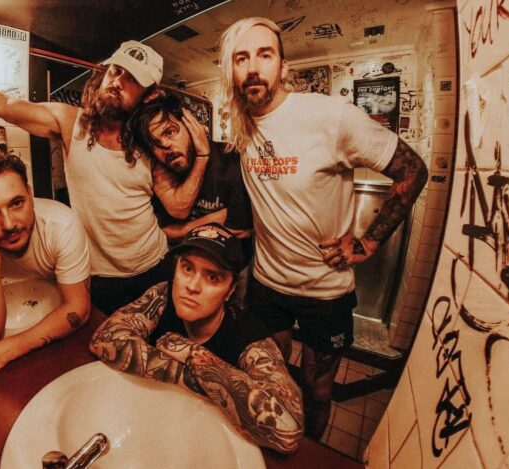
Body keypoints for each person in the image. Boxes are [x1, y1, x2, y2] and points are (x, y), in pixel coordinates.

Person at [218, 17, 428, 438]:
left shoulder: (330, 116)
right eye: (241, 58)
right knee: (271, 380)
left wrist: (367, 243)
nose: (253, 67)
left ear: (283, 66)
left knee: (317, 389)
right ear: (231, 70)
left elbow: (413, 171)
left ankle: (310, 455)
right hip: (268, 286)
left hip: (325, 291)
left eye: (264, 55)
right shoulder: (241, 125)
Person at [0, 40, 210, 315]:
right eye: (116, 71)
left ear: (149, 95)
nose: (118, 82)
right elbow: (1, 104)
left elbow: (177, 207)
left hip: (154, 265)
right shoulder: (71, 123)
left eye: (132, 80)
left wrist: (202, 158)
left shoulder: (148, 143)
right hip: (98, 276)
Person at [90, 223, 303, 454]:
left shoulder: (250, 336)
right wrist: (193, 377)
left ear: (230, 291)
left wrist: (194, 354)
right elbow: (103, 339)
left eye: (212, 277)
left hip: (208, 443)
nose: (191, 286)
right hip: (156, 424)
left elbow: (288, 433)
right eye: (187, 268)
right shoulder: (163, 294)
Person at [0, 150, 90, 377]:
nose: (9, 224)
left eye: (16, 203)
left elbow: (78, 308)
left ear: (30, 195)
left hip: (59, 344)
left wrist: (4, 352)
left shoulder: (61, 224)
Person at [122, 92, 253, 246]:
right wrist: (220, 217)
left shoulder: (230, 159)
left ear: (191, 126)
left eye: (169, 132)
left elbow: (240, 228)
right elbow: (165, 231)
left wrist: (180, 231)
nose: (165, 145)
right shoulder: (159, 171)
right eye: (154, 143)